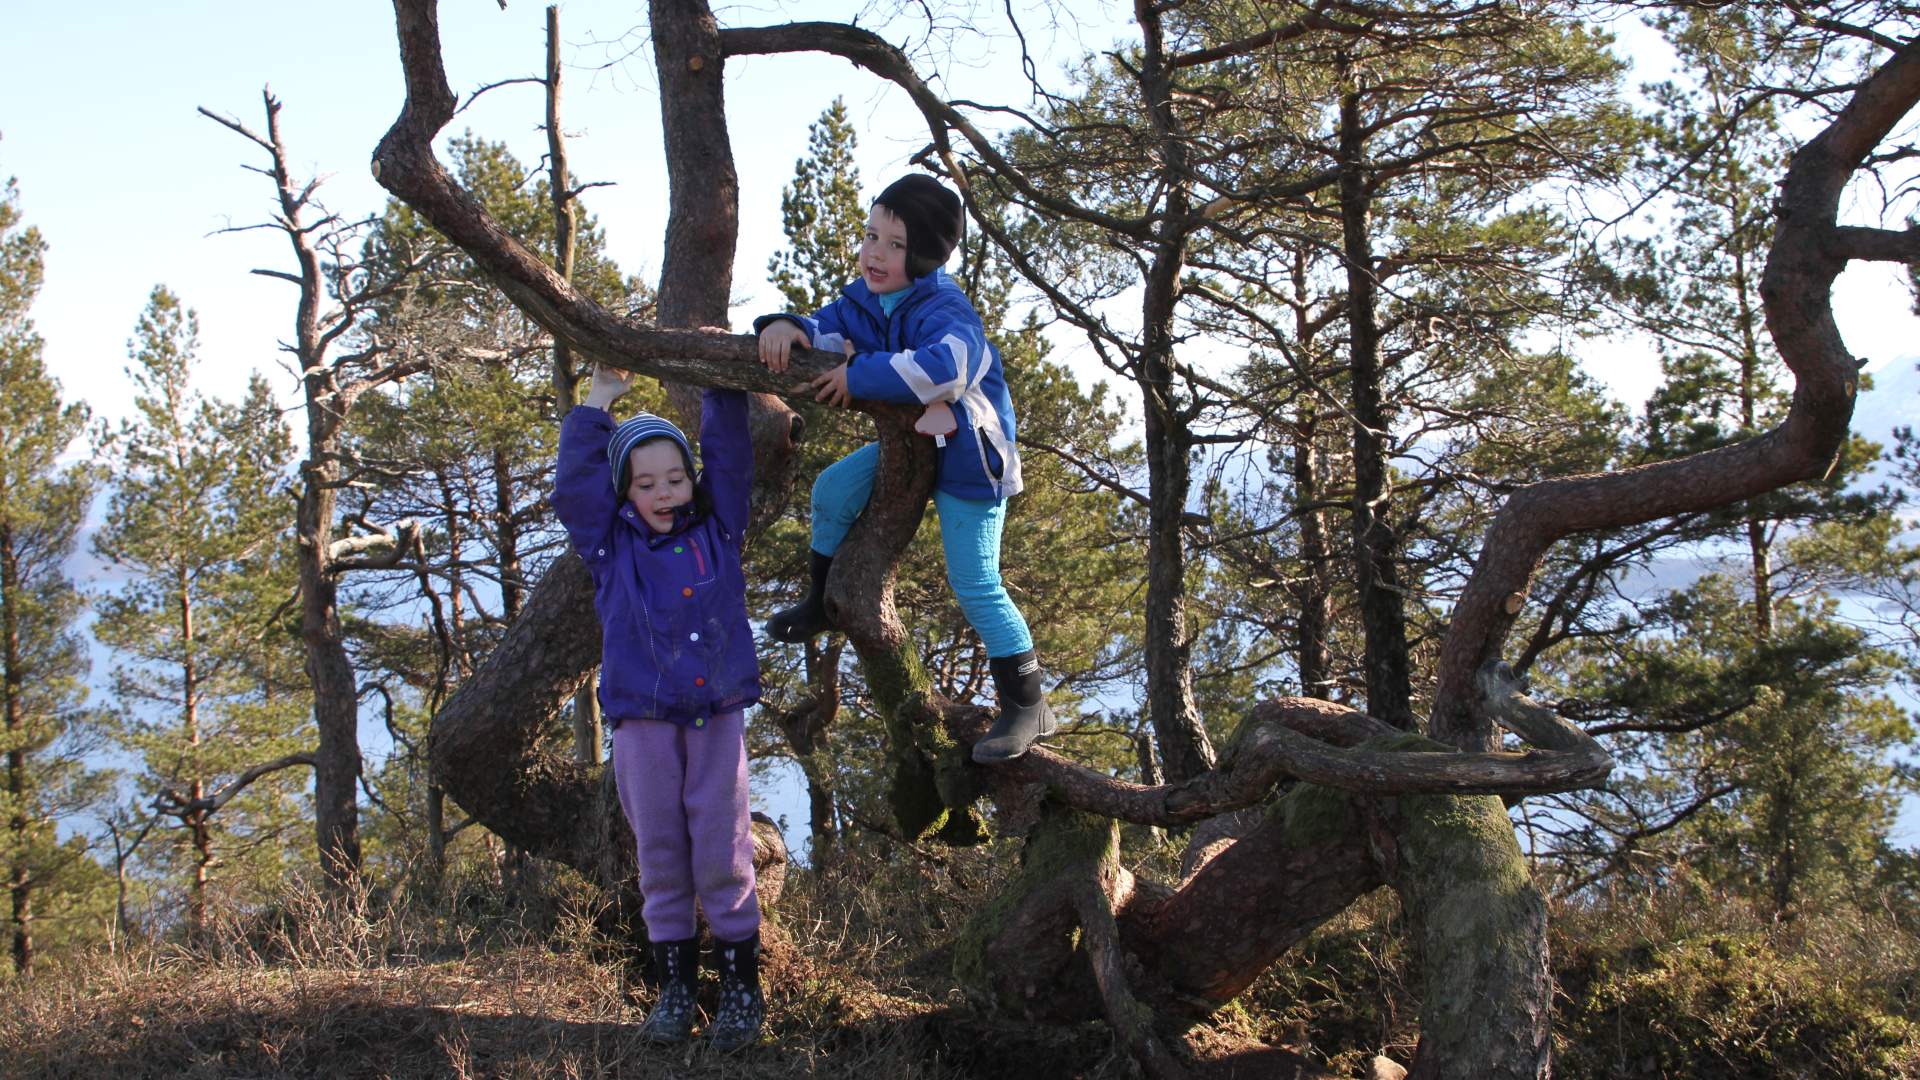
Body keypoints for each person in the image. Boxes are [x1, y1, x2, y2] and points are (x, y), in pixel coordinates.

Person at [756, 173, 1054, 764]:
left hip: (971, 455)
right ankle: (821, 601)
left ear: (922, 254)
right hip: (913, 445)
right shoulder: (869, 295)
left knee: (974, 580)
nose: (874, 252)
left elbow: (949, 367)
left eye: (893, 243)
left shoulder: (946, 306)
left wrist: (859, 375)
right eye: (870, 235)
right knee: (832, 489)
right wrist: (788, 325)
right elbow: (832, 325)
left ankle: (1028, 703)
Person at [550, 363, 765, 1050]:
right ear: (624, 492)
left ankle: (740, 992)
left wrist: (718, 384)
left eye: (675, 478)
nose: (665, 492)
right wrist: (597, 405)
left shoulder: (719, 529)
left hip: (716, 714)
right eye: (646, 484)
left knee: (724, 851)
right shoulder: (609, 546)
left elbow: (730, 459)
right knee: (662, 854)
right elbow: (573, 491)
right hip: (642, 719)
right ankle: (674, 991)